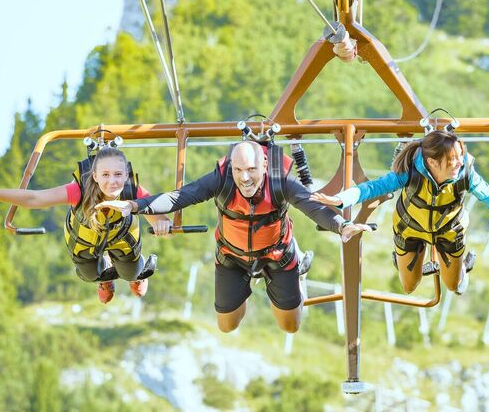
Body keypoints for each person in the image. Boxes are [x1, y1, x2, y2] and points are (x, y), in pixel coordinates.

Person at [104, 140, 373, 334]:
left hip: (278, 255)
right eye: (238, 170)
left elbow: (311, 206)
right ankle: (243, 289)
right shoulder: (221, 180)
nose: (244, 178)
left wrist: (341, 226)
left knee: (290, 326)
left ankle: (298, 267)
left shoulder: (280, 182)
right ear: (231, 167)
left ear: (264, 165)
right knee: (227, 326)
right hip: (233, 257)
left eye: (251, 170)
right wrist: (134, 206)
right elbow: (180, 196)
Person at [311, 130, 489, 295]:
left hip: (449, 229)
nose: (460, 162)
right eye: (453, 159)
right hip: (410, 228)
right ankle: (405, 257)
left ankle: (459, 270)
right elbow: (374, 187)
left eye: (461, 155)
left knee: (453, 286)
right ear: (432, 162)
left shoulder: (465, 174)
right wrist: (342, 198)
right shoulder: (410, 170)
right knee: (409, 286)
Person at [0, 145, 171, 304]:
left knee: (130, 272)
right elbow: (35, 198)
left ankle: (136, 273)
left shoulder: (133, 191)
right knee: (88, 274)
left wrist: (164, 226)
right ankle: (105, 273)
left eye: (118, 175)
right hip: (86, 239)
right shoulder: (79, 191)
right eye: (105, 175)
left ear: (126, 174)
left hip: (122, 239)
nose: (112, 181)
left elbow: (163, 223)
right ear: (95, 176)